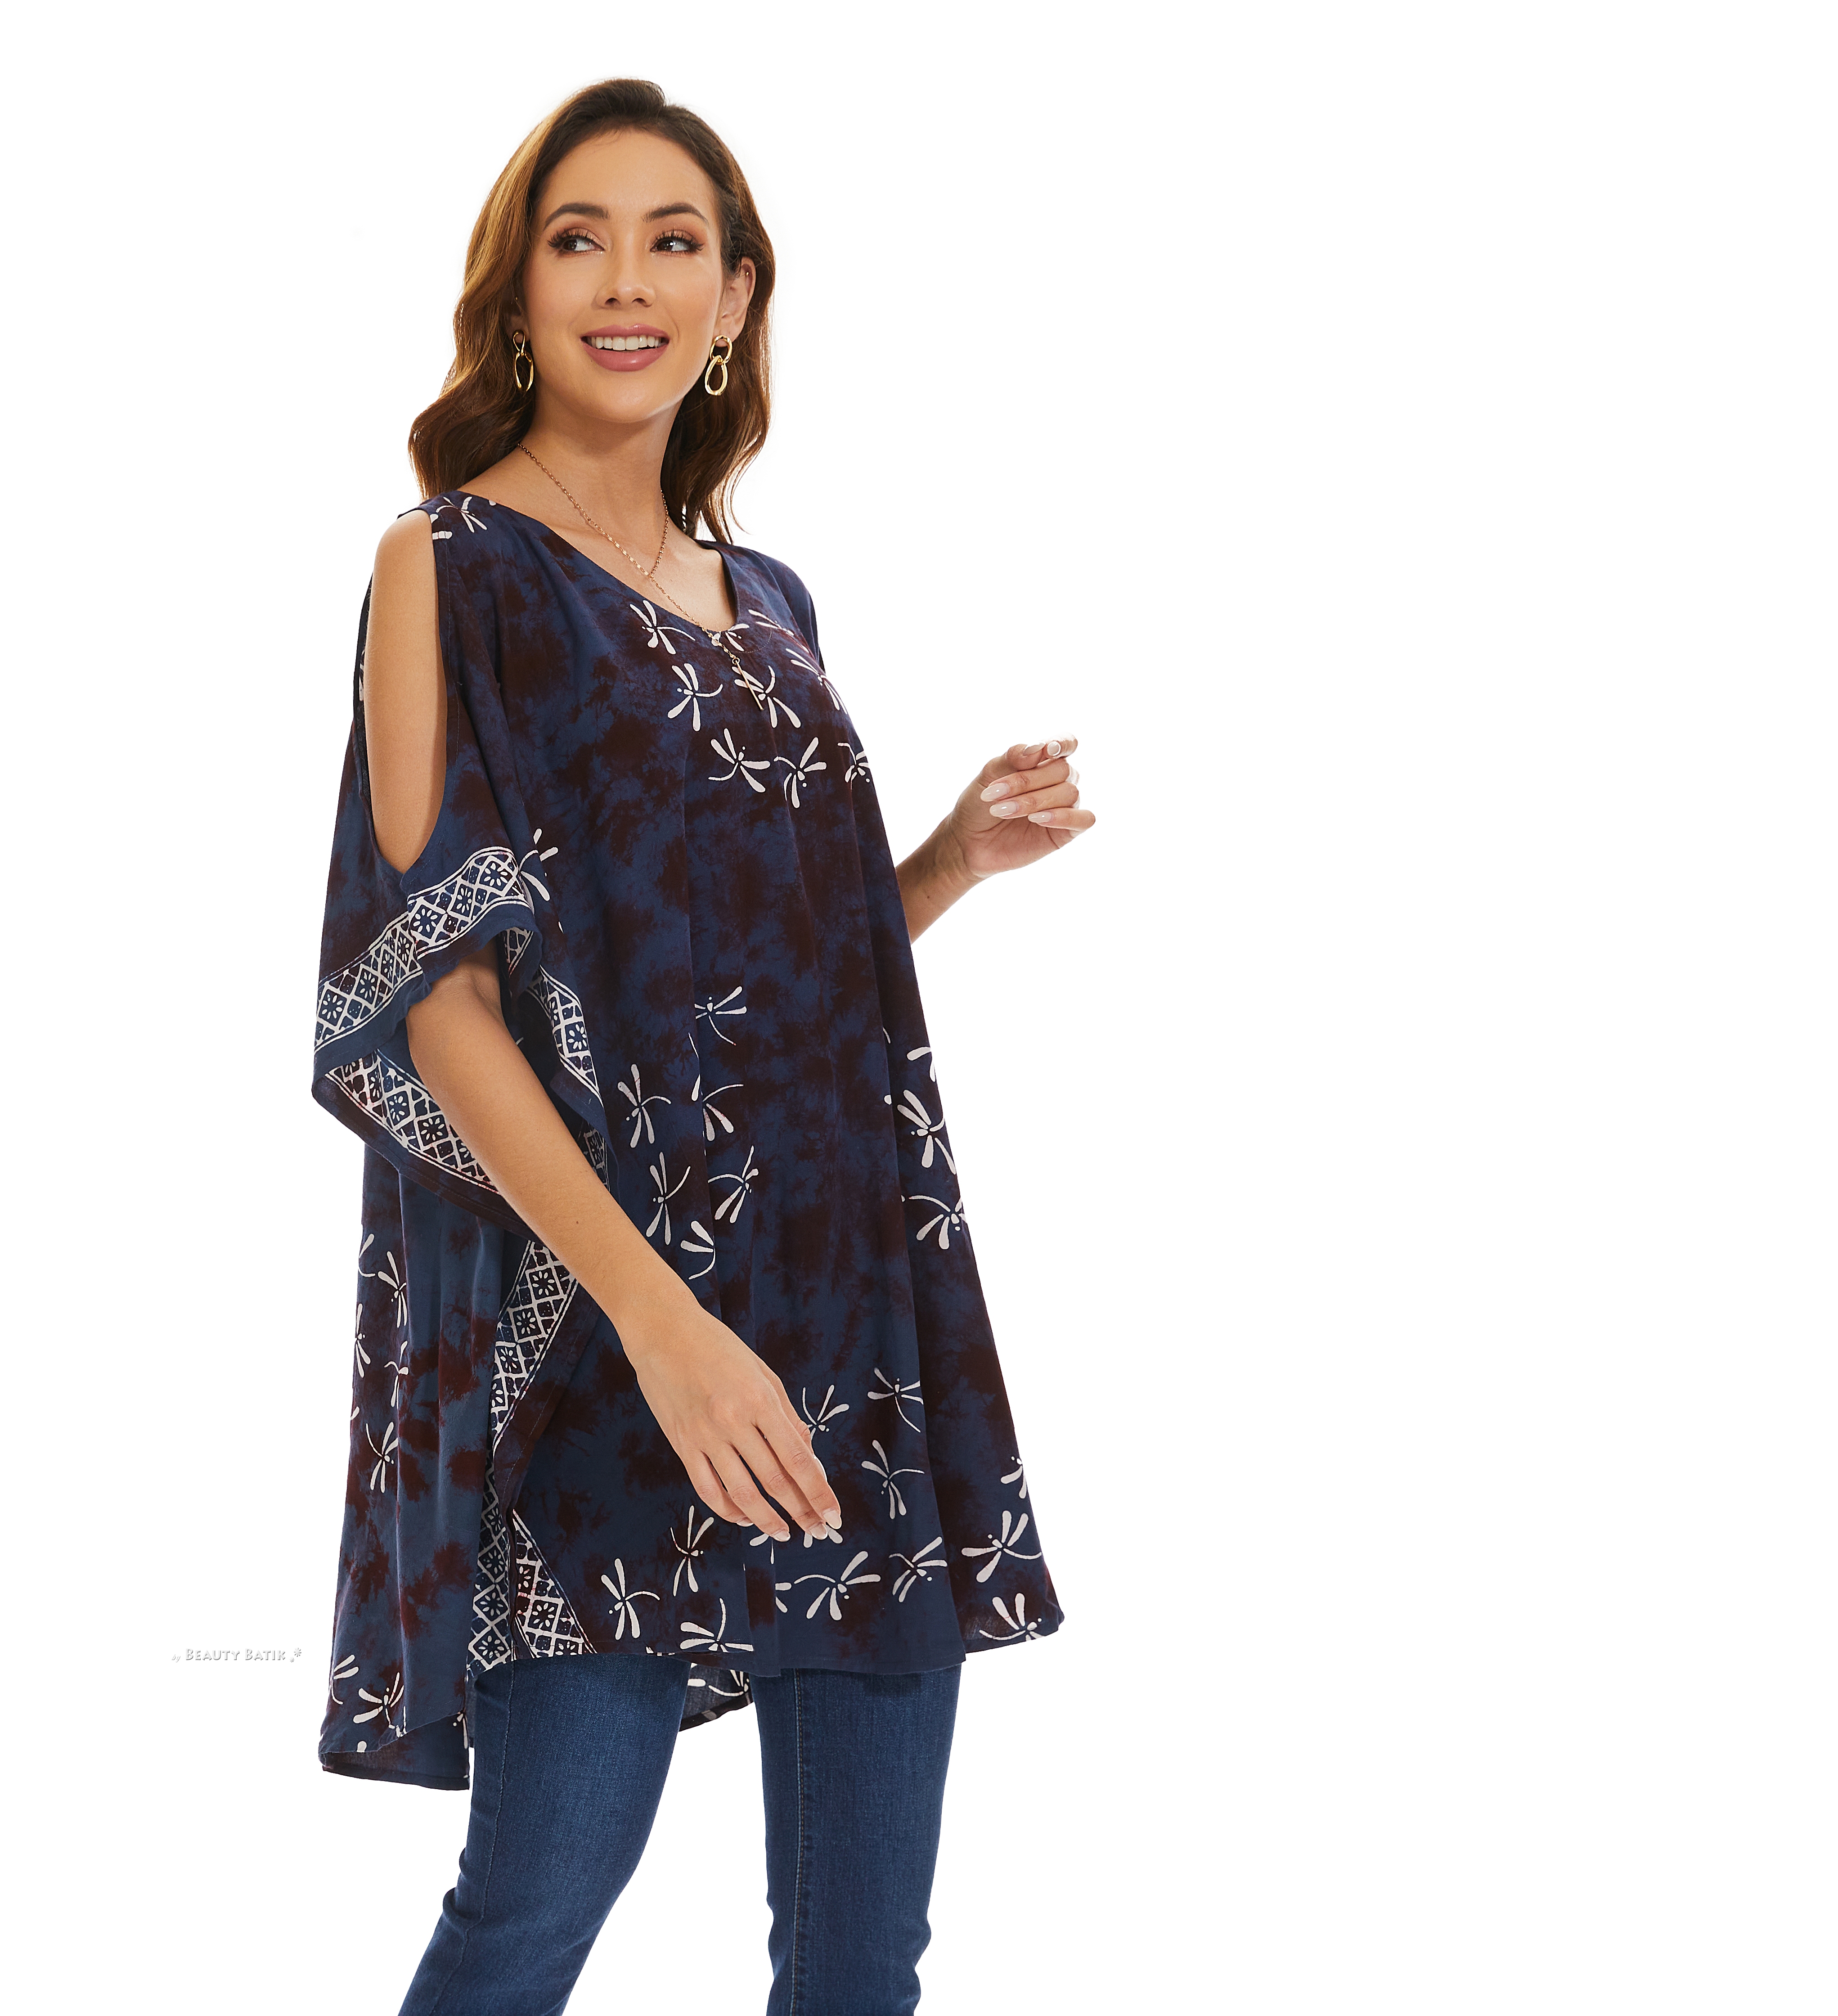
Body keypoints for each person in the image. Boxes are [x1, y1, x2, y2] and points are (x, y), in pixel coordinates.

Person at [308, 78, 1094, 2015]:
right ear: (517, 293)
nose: (627, 282)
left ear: (737, 298)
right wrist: (663, 1328)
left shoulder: (772, 599)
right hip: (614, 1343)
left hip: (850, 1328)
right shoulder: (451, 564)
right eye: (579, 239)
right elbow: (438, 997)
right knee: (533, 1912)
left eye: (676, 243)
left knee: (862, 1960)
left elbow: (765, 980)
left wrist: (947, 863)